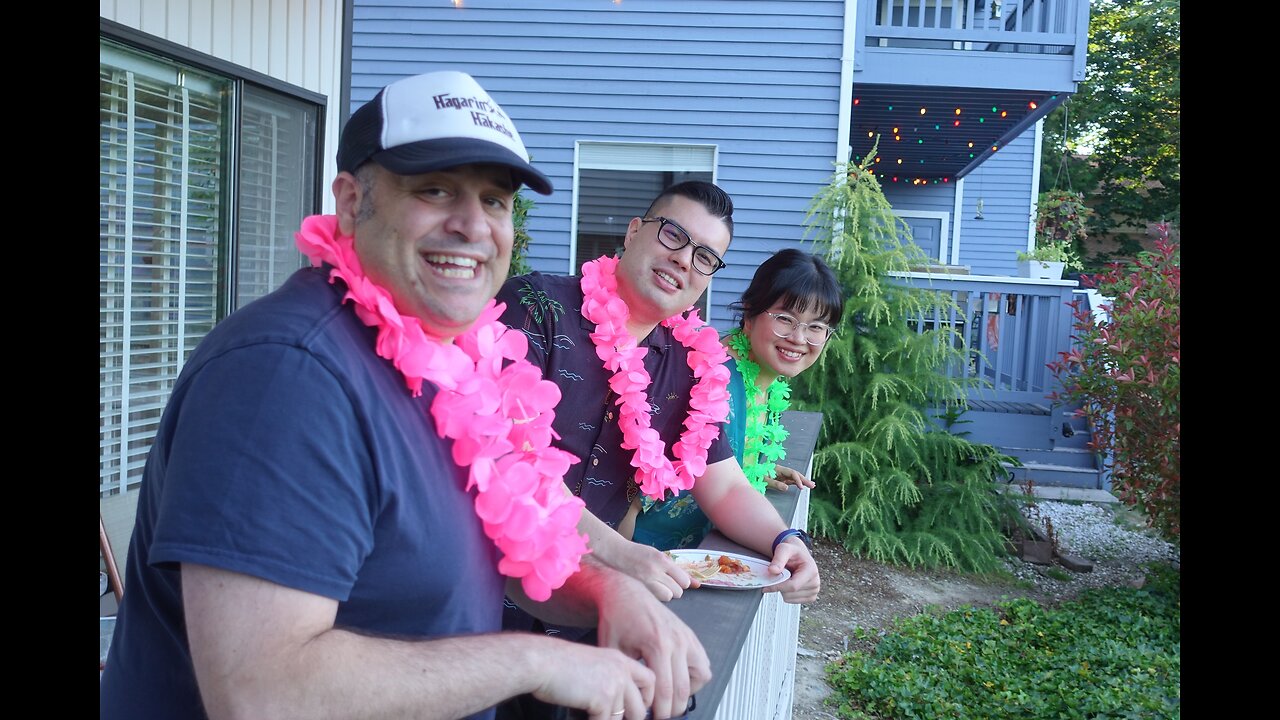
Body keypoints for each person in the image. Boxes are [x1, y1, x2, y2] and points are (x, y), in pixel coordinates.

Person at [99, 70, 710, 720]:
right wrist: (535, 662)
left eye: (496, 199)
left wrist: (609, 594)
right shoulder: (288, 376)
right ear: (352, 200)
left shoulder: (449, 361)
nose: (474, 226)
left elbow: (505, 555)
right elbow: (263, 693)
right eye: (435, 188)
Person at [496, 182, 821, 624]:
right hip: (482, 593)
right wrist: (620, 553)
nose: (684, 259)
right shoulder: (534, 307)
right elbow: (509, 460)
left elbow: (724, 487)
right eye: (672, 234)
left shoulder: (691, 368)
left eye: (705, 257)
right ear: (633, 233)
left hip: (590, 612)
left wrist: (787, 539)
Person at [630, 249, 844, 551]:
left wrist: (748, 466)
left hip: (698, 560)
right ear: (749, 316)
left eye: (816, 327)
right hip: (651, 563)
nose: (799, 338)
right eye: (785, 319)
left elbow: (712, 464)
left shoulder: (762, 377)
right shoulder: (711, 382)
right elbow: (631, 491)